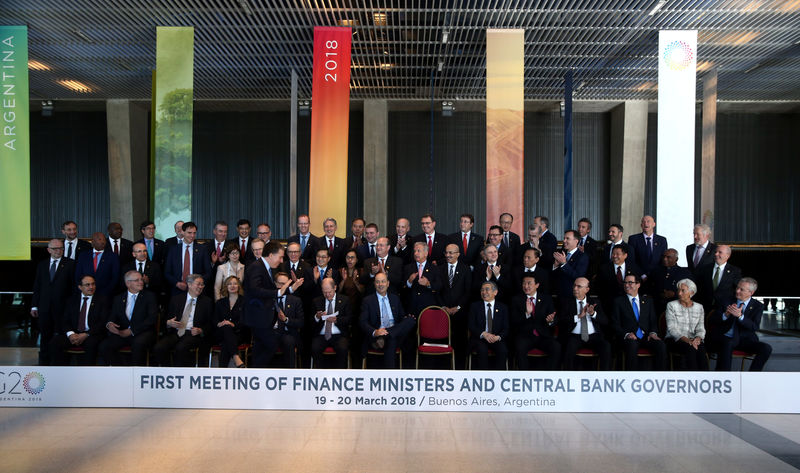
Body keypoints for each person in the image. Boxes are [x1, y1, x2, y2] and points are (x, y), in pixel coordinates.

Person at [706, 278, 772, 371]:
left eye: (741, 289)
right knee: (728, 343)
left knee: (766, 348)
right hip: (724, 337)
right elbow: (712, 320)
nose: (737, 291)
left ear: (751, 293)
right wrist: (725, 315)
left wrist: (740, 316)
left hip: (744, 340)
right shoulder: (726, 300)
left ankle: (752, 376)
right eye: (737, 288)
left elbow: (754, 327)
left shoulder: (758, 306)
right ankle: (724, 376)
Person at [98, 271, 158, 366]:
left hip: (143, 332)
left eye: (141, 279)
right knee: (105, 346)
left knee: (138, 344)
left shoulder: (149, 296)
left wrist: (132, 330)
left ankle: (137, 374)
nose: (141, 282)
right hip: (123, 332)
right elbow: (112, 316)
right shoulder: (118, 298)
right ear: (128, 283)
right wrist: (109, 324)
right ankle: (121, 372)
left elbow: (152, 319)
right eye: (137, 280)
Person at [31, 239, 75, 365]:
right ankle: (44, 364)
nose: (58, 251)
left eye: (61, 248)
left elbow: (73, 287)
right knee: (45, 336)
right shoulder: (42, 265)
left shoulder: (70, 264)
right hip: (44, 308)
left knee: (60, 336)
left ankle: (59, 364)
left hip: (63, 308)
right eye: (55, 249)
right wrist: (34, 305)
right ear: (48, 250)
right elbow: (37, 286)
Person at [152, 274, 213, 366]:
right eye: (198, 284)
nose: (201, 287)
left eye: (202, 285)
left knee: (181, 347)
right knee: (159, 347)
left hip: (193, 334)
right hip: (176, 332)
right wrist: (169, 323)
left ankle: (182, 375)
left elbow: (211, 323)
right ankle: (168, 371)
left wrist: (200, 330)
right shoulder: (176, 299)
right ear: (189, 284)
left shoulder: (207, 302)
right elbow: (166, 318)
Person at [243, 239, 285, 368]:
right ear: (271, 255)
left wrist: (288, 289)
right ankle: (254, 373)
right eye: (281, 257)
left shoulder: (266, 267)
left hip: (263, 317)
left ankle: (256, 377)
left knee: (260, 348)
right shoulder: (256, 267)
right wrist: (277, 293)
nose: (282, 261)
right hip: (258, 316)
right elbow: (255, 290)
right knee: (271, 344)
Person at [611, 274, 667, 371]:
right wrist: (627, 334)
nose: (627, 285)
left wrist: (653, 333)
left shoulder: (648, 301)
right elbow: (614, 323)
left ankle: (660, 377)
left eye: (630, 282)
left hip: (646, 337)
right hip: (629, 338)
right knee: (632, 345)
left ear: (638, 285)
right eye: (625, 282)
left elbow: (653, 321)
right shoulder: (618, 301)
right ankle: (632, 378)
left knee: (660, 345)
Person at [360, 272, 416, 369]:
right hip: (378, 336)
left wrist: (405, 320)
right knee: (392, 340)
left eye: (383, 281)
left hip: (393, 333)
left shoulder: (395, 298)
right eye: (377, 282)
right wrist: (375, 332)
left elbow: (401, 317)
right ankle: (390, 375)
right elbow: (362, 322)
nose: (380, 284)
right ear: (374, 284)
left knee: (411, 320)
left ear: (388, 283)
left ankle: (388, 334)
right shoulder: (368, 301)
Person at [49, 275, 107, 366]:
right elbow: (65, 320)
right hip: (74, 333)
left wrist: (86, 334)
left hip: (92, 334)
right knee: (55, 342)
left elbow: (103, 322)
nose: (91, 287)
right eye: (87, 285)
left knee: (91, 344)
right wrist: (71, 334)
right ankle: (60, 373)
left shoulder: (103, 300)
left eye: (93, 284)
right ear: (80, 287)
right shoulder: (71, 300)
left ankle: (87, 374)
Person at [559, 277, 611, 370]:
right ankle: (568, 377)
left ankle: (604, 377)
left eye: (579, 286)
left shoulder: (595, 302)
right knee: (569, 347)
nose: (575, 288)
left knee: (606, 346)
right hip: (574, 336)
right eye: (574, 285)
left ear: (587, 289)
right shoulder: (566, 302)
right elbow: (561, 320)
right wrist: (578, 316)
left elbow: (605, 321)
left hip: (593, 336)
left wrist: (593, 314)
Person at [512, 274, 560, 370]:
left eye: (529, 283)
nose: (526, 286)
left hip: (543, 336)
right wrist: (527, 314)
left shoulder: (546, 299)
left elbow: (554, 318)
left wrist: (551, 321)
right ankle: (523, 377)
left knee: (556, 347)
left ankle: (551, 377)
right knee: (519, 348)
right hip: (525, 336)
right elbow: (514, 321)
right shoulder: (516, 299)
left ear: (537, 285)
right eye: (524, 283)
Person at [437, 243, 472, 369]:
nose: (448, 255)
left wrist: (458, 307)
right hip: (443, 312)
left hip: (460, 312)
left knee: (460, 342)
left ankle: (459, 369)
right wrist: (444, 306)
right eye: (446, 252)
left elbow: (468, 291)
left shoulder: (465, 269)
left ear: (458, 254)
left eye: (451, 253)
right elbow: (437, 291)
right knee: (443, 341)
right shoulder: (439, 269)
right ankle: (444, 368)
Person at [664, 278, 708, 371]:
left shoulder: (699, 307)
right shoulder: (671, 305)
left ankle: (705, 380)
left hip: (693, 340)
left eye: (683, 290)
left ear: (691, 293)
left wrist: (697, 339)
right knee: (690, 348)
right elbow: (672, 329)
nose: (679, 293)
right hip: (675, 340)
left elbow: (701, 328)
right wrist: (688, 340)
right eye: (678, 290)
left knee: (701, 349)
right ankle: (692, 379)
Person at [310, 278, 352, 369]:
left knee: (342, 348)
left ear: (335, 288)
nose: (327, 295)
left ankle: (340, 376)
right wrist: (317, 317)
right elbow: (310, 323)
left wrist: (337, 320)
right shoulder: (316, 301)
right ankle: (320, 375)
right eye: (325, 292)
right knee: (315, 348)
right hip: (321, 334)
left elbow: (349, 319)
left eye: (329, 292)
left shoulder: (345, 300)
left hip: (339, 334)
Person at [468, 281, 509, 370]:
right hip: (480, 338)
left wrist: (498, 337)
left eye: (487, 290)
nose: (484, 292)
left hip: (496, 338)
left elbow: (506, 328)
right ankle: (483, 379)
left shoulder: (503, 307)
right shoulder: (474, 306)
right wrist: (484, 334)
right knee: (482, 350)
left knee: (503, 350)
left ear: (495, 292)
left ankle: (499, 378)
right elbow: (471, 325)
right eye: (482, 290)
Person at [164, 221, 212, 296]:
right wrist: (177, 283)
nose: (192, 235)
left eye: (194, 233)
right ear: (183, 232)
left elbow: (208, 272)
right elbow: (167, 272)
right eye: (189, 233)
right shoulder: (173, 250)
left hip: (197, 290)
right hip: (177, 291)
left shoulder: (202, 249)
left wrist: (197, 283)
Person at [271, 272, 305, 368]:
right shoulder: (270, 298)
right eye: (281, 284)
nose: (284, 286)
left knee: (289, 342)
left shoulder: (295, 300)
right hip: (272, 332)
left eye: (286, 284)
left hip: (288, 333)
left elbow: (300, 322)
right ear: (275, 283)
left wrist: (286, 320)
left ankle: (290, 374)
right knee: (265, 341)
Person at [595, 243, 641, 313]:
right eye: (613, 254)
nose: (614, 256)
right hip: (610, 305)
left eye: (617, 254)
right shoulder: (604, 269)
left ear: (625, 255)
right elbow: (599, 288)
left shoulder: (633, 268)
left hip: (629, 304)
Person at [214, 276, 248, 368]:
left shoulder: (245, 302)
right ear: (226, 286)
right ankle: (236, 357)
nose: (232, 286)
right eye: (229, 284)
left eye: (235, 283)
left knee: (226, 343)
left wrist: (233, 325)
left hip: (239, 333)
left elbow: (246, 320)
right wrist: (220, 323)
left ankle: (222, 371)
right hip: (221, 332)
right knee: (226, 328)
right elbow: (215, 320)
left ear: (239, 286)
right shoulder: (220, 302)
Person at [695, 244, 741, 311]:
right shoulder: (704, 269)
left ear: (727, 256)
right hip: (704, 309)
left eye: (720, 252)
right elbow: (699, 288)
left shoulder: (735, 271)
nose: (716, 254)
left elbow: (737, 290)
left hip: (724, 310)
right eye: (715, 252)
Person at [74, 232, 120, 298]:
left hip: (105, 294)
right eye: (99, 239)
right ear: (92, 242)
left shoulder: (113, 256)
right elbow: (78, 274)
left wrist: (107, 291)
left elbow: (115, 277)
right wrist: (83, 289)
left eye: (104, 239)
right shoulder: (83, 255)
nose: (102, 242)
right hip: (86, 293)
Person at [649, 248, 693, 315]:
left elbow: (691, 291)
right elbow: (650, 288)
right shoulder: (656, 272)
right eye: (663, 257)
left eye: (668, 257)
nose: (665, 259)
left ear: (676, 259)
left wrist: (675, 294)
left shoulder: (684, 273)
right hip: (658, 308)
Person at [404, 241, 442, 316]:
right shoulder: (408, 268)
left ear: (426, 253)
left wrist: (428, 284)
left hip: (429, 308)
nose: (415, 253)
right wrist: (409, 282)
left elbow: (439, 286)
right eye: (414, 251)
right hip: (412, 308)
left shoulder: (434, 269)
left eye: (418, 251)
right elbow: (402, 288)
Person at [627, 215, 667, 283]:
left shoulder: (662, 240)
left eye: (648, 221)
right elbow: (631, 260)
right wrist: (642, 275)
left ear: (654, 224)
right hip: (639, 278)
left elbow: (664, 259)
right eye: (643, 222)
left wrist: (657, 274)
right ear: (641, 225)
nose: (646, 224)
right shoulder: (633, 239)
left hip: (657, 278)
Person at [551, 230, 588, 299]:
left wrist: (564, 263)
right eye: (564, 238)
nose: (564, 241)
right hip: (558, 293)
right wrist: (555, 266)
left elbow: (578, 276)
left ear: (576, 241)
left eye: (567, 238)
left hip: (571, 295)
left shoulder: (582, 257)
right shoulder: (560, 253)